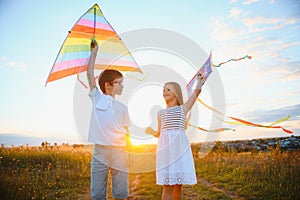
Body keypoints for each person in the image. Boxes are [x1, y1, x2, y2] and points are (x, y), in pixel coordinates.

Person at [145, 75, 204, 200]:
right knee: (167, 186)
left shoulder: (183, 108)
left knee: (178, 185)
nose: (165, 92)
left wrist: (200, 81)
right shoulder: (160, 113)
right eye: (164, 89)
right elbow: (160, 133)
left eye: (168, 89)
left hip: (179, 150)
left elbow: (197, 91)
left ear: (176, 93)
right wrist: (151, 132)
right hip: (166, 152)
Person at [87, 39, 132, 200]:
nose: (122, 86)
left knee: (121, 192)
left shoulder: (123, 108)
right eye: (119, 83)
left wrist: (130, 151)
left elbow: (127, 132)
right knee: (97, 193)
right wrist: (94, 52)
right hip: (100, 151)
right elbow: (90, 74)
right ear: (108, 85)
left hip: (120, 151)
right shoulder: (97, 97)